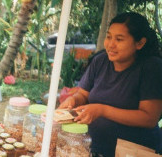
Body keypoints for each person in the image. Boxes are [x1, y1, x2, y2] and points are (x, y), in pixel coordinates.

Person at [58, 12, 162, 157]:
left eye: (119, 39)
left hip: (133, 152)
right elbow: (83, 94)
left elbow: (149, 118)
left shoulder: (151, 67)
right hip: (95, 148)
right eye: (108, 37)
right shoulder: (100, 61)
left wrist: (102, 110)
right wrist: (74, 100)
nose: (110, 44)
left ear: (140, 43)